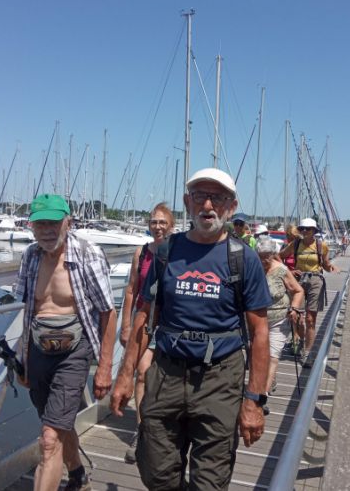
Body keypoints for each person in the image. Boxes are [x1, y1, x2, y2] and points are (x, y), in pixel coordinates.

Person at [111, 167, 272, 490]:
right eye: (200, 196)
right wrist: (125, 375)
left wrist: (254, 400)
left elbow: (259, 334)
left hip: (220, 378)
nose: (208, 205)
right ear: (187, 202)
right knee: (155, 471)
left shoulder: (244, 259)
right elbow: (145, 316)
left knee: (211, 481)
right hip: (166, 372)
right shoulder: (166, 252)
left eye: (218, 198)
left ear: (231, 206)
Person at [15, 194, 117, 491]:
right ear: (32, 227)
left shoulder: (87, 254)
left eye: (54, 223)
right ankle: (77, 473)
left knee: (49, 439)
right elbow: (28, 310)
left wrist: (105, 367)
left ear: (68, 223)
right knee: (56, 422)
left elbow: (107, 312)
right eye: (41, 224)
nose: (48, 230)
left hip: (74, 352)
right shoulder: (30, 256)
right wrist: (23, 358)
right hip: (38, 350)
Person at [119, 202, 175, 464]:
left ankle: (162, 429)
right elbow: (131, 289)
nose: (158, 226)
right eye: (154, 222)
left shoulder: (176, 251)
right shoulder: (141, 252)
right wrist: (126, 325)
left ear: (171, 225)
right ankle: (141, 432)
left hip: (170, 322)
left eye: (163, 222)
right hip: (144, 320)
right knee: (141, 372)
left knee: (163, 377)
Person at [278, 217, 338, 368]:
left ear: (314, 231)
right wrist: (290, 271)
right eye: (302, 229)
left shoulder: (321, 245)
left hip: (315, 280)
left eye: (308, 229)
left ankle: (308, 352)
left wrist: (331, 267)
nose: (304, 231)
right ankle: (299, 341)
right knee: (297, 316)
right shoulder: (295, 244)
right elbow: (279, 257)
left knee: (311, 319)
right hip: (298, 280)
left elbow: (325, 264)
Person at [256, 238, 304, 396]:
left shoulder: (281, 270)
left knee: (272, 356)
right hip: (257, 319)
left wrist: (295, 308)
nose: (263, 260)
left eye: (266, 257)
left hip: (279, 319)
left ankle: (263, 395)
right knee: (258, 356)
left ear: (273, 254)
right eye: (260, 256)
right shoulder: (253, 267)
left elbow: (298, 291)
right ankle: (270, 380)